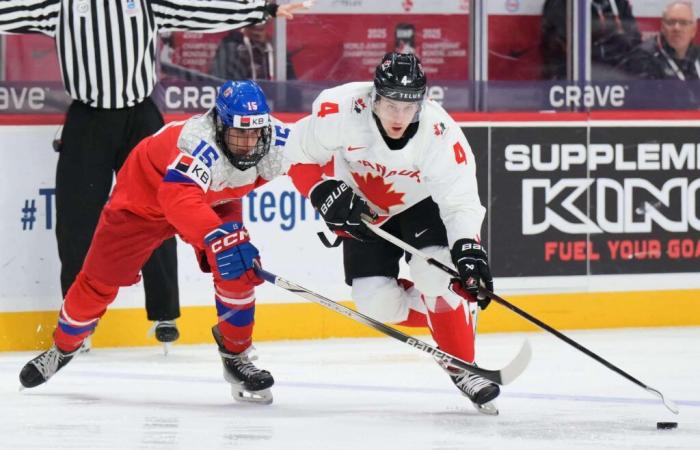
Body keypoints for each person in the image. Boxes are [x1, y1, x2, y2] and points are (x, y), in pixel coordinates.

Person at [0, 0, 308, 348]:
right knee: (75, 217)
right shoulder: (61, 6)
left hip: (140, 116)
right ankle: (80, 323)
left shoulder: (146, 3)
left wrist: (261, 9)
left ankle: (164, 311)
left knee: (164, 211)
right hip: (88, 118)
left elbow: (197, 11)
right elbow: (15, 11)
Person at [18, 80, 291, 404]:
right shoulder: (197, 143)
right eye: (239, 133)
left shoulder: (274, 138)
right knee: (96, 285)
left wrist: (331, 199)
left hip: (215, 198)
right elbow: (176, 198)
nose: (248, 143)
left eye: (254, 132)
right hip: (142, 205)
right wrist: (216, 237)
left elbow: (313, 157)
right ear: (219, 124)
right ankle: (62, 348)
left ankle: (236, 357)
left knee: (236, 267)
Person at [284, 52, 499, 415]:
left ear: (423, 101)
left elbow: (460, 202)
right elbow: (296, 153)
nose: (399, 116)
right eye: (391, 104)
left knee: (434, 273)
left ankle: (462, 363)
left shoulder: (440, 133)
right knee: (373, 302)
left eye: (409, 105)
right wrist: (322, 191)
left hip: (421, 204)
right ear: (374, 97)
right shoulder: (338, 109)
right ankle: (445, 312)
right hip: (363, 207)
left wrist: (467, 249)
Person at [541, 0, 641, 80]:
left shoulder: (619, 3)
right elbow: (567, 49)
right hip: (575, 81)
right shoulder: (560, 4)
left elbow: (634, 40)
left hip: (618, 78)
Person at [618, 1, 700, 80]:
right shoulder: (642, 57)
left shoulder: (697, 55)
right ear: (662, 27)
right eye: (671, 22)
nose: (677, 28)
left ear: (693, 30)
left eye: (683, 23)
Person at [211, 23, 297, 81]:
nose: (257, 33)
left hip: (273, 104)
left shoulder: (276, 49)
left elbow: (292, 89)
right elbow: (221, 84)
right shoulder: (230, 47)